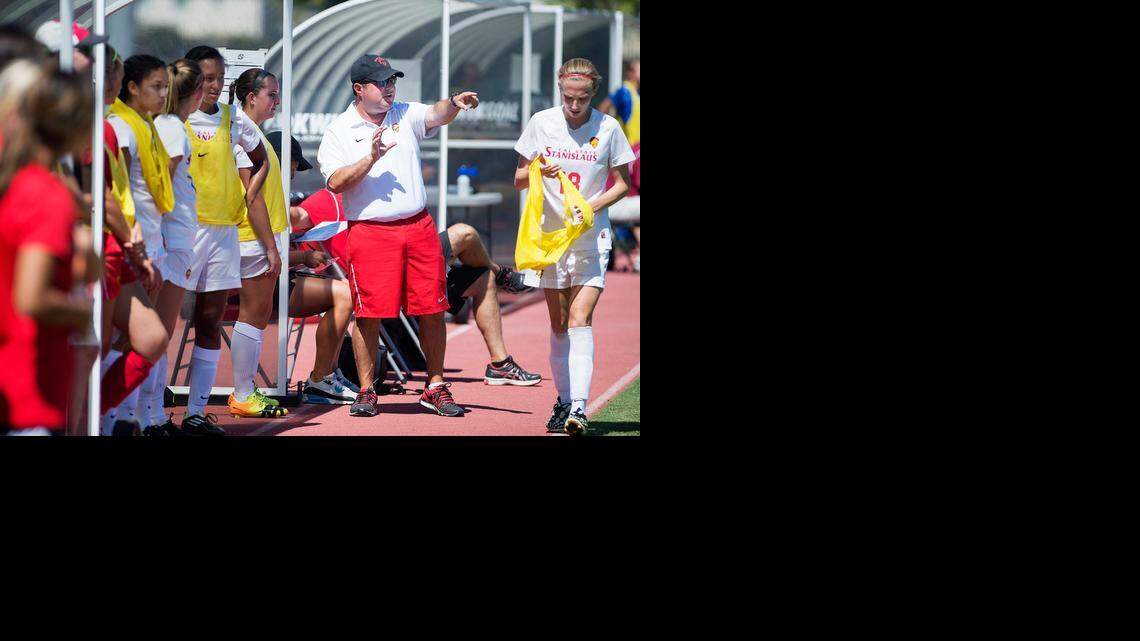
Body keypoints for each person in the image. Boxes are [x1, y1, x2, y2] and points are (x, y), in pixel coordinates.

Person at [317, 54, 478, 418]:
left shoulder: (404, 112)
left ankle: (434, 386)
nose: (390, 88)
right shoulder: (339, 130)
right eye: (381, 82)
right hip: (371, 232)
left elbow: (436, 113)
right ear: (359, 89)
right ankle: (366, 390)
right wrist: (370, 158)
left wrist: (454, 103)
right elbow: (334, 183)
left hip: (418, 226)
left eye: (392, 81)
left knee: (433, 307)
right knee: (369, 313)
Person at [293, 189, 542, 389]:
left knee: (482, 278)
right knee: (464, 233)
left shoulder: (380, 193)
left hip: (415, 266)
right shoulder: (326, 198)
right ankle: (503, 274)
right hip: (382, 276)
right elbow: (297, 217)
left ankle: (500, 363)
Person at [514, 58, 634, 436]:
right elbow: (518, 179)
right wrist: (537, 171)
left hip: (590, 238)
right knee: (559, 322)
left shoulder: (609, 128)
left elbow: (622, 184)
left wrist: (591, 206)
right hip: (551, 239)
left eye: (581, 99)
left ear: (592, 94)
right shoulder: (541, 122)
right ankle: (563, 400)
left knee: (581, 318)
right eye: (568, 98)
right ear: (560, 91)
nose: (574, 105)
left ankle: (579, 408)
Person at [181, 45, 277, 435]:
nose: (215, 85)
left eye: (221, 78)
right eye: (207, 77)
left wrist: (248, 195)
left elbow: (261, 159)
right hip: (186, 231)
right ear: (190, 78)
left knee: (210, 320)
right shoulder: (176, 118)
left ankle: (196, 414)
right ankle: (147, 411)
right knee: (161, 321)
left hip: (223, 233)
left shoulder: (231, 116)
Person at [0, 62, 94, 435]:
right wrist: (79, 312)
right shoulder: (47, 196)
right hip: (31, 393)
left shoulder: (16, 184)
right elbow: (31, 297)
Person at [102, 54, 176, 434]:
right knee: (111, 340)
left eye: (166, 86)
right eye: (156, 87)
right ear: (131, 87)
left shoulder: (144, 125)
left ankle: (123, 416)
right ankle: (107, 416)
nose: (164, 94)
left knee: (145, 338)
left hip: (145, 239)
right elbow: (115, 191)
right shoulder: (122, 128)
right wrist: (134, 246)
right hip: (125, 242)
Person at [227, 67, 292, 419]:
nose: (277, 101)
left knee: (258, 315)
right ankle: (242, 392)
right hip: (253, 237)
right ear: (251, 97)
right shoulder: (242, 129)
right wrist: (270, 246)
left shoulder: (250, 130)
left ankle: (245, 390)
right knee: (252, 315)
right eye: (272, 94)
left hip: (262, 235)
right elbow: (252, 196)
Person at [597, 59, 639, 146]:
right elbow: (604, 107)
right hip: (629, 147)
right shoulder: (624, 91)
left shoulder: (637, 92)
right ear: (630, 73)